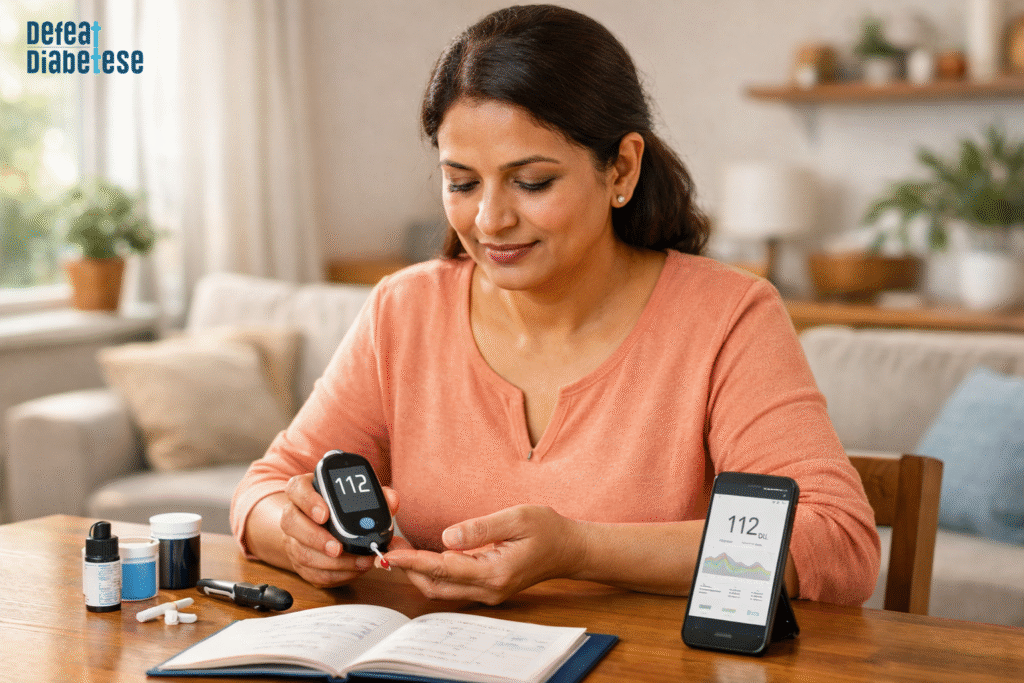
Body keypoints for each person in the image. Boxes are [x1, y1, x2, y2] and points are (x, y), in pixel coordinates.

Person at [231, 4, 880, 606]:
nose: (489, 219)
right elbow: (263, 487)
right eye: (460, 181)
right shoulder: (404, 310)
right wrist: (294, 533)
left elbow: (836, 541)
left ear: (622, 169)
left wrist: (582, 547)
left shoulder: (728, 316)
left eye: (532, 181)